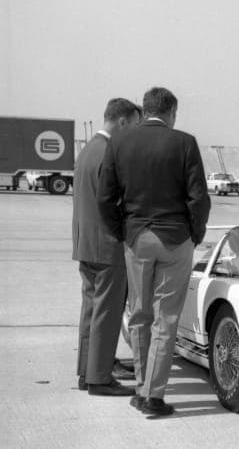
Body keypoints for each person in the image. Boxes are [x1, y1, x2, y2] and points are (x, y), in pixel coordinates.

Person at [97, 87, 211, 417]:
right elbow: (198, 198)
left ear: (145, 110)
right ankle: (153, 396)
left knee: (139, 314)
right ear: (171, 112)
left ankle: (141, 387)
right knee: (166, 318)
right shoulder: (184, 142)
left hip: (136, 238)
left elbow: (105, 198)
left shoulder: (119, 142)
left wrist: (123, 233)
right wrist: (195, 233)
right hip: (175, 239)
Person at [72, 98, 141, 396]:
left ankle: (87, 372)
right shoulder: (110, 153)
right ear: (123, 122)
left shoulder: (88, 150)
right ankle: (100, 379)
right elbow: (115, 204)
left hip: (86, 243)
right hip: (107, 246)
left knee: (91, 310)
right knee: (107, 313)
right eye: (134, 126)